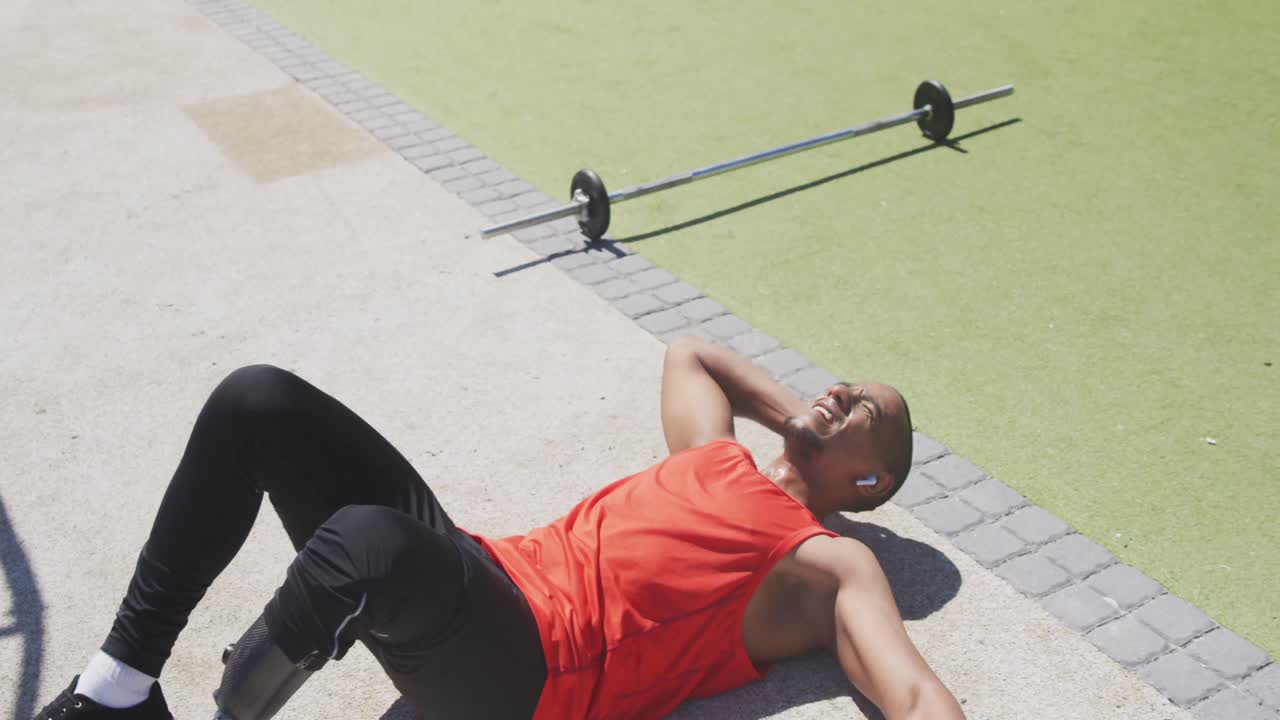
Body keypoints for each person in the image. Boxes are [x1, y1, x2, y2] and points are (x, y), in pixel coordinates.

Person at [34, 335, 964, 720]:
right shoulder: (712, 458)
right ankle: (118, 691)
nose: (843, 391)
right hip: (485, 579)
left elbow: (915, 697)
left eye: (865, 409)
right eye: (844, 386)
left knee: (364, 543)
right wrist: (808, 417)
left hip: (534, 672)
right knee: (259, 401)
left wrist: (824, 471)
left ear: (872, 479)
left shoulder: (825, 563)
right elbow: (693, 353)